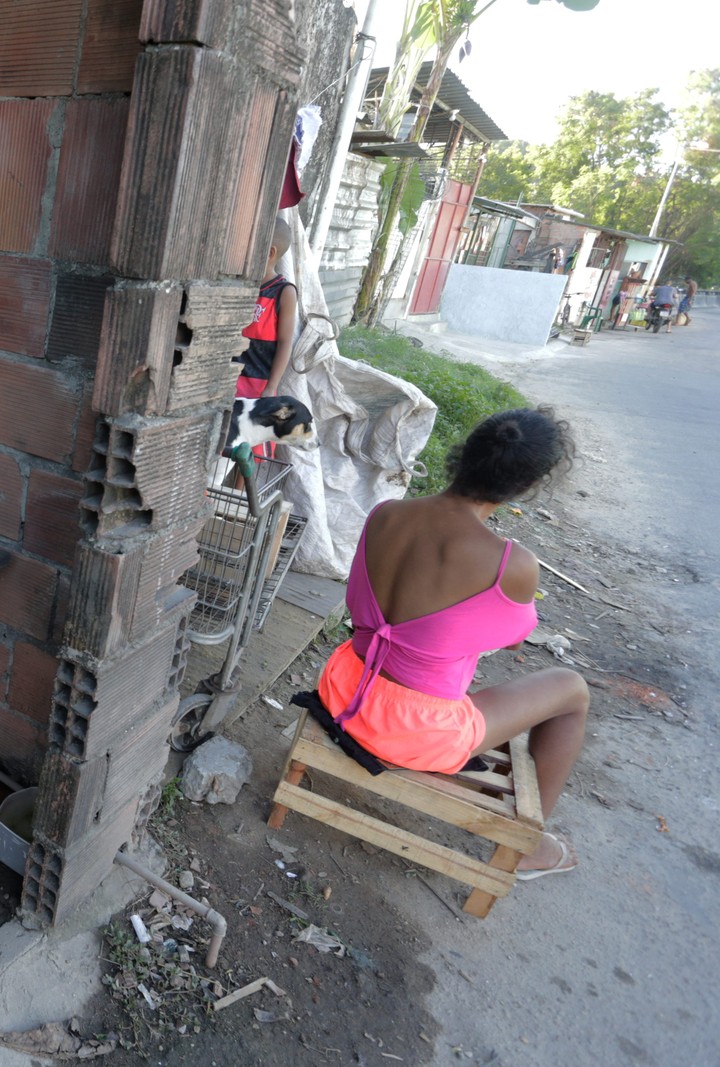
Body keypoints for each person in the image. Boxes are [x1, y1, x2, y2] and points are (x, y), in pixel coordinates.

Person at [316, 408, 587, 879]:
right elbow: (509, 640)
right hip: (411, 732)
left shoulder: (387, 513)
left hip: (342, 687)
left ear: (464, 454)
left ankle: (522, 832)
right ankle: (528, 847)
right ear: (525, 486)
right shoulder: (510, 564)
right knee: (571, 689)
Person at [236, 217, 298, 402]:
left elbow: (285, 343)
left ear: (270, 253)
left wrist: (271, 388)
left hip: (256, 390)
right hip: (227, 381)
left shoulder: (283, 292)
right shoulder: (237, 284)